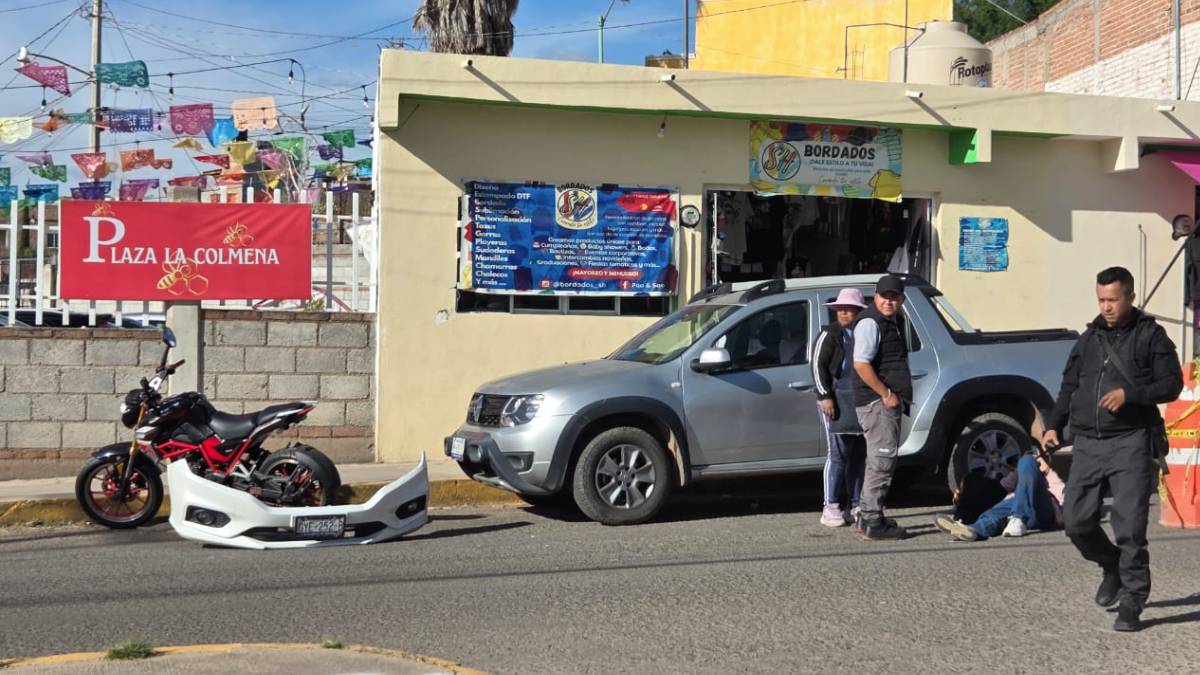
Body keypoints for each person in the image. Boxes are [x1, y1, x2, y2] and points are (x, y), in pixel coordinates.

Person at [1042, 266, 1183, 632]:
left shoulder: (1150, 335)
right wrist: (1053, 425)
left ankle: (1133, 601)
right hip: (1088, 442)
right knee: (1076, 522)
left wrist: (1130, 394)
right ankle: (1112, 566)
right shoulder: (1089, 339)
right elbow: (1069, 386)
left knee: (1130, 526)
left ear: (1130, 297)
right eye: (1101, 300)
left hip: (1130, 441)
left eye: (1113, 300)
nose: (1106, 307)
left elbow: (1172, 384)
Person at [851, 274, 913, 540]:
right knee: (882, 460)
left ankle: (867, 516)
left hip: (879, 401)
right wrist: (886, 393)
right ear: (875, 296)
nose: (889, 301)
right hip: (876, 402)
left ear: (902, 299)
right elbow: (861, 364)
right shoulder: (870, 322)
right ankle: (873, 522)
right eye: (884, 296)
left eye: (894, 297)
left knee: (877, 459)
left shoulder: (891, 320)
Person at [812, 288, 868, 527]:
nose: (844, 313)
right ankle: (830, 505)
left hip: (859, 400)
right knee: (837, 454)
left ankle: (856, 504)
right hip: (835, 400)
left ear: (858, 312)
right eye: (840, 309)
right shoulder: (829, 335)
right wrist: (825, 396)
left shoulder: (864, 333)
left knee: (858, 454)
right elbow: (817, 366)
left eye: (849, 309)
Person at [935, 453, 1065, 541]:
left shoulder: (1054, 480)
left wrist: (1047, 471)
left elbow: (1064, 504)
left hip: (1042, 512)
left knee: (1027, 459)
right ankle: (974, 530)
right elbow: (1002, 486)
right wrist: (1024, 470)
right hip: (1013, 508)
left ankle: (1018, 518)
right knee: (998, 510)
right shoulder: (1022, 477)